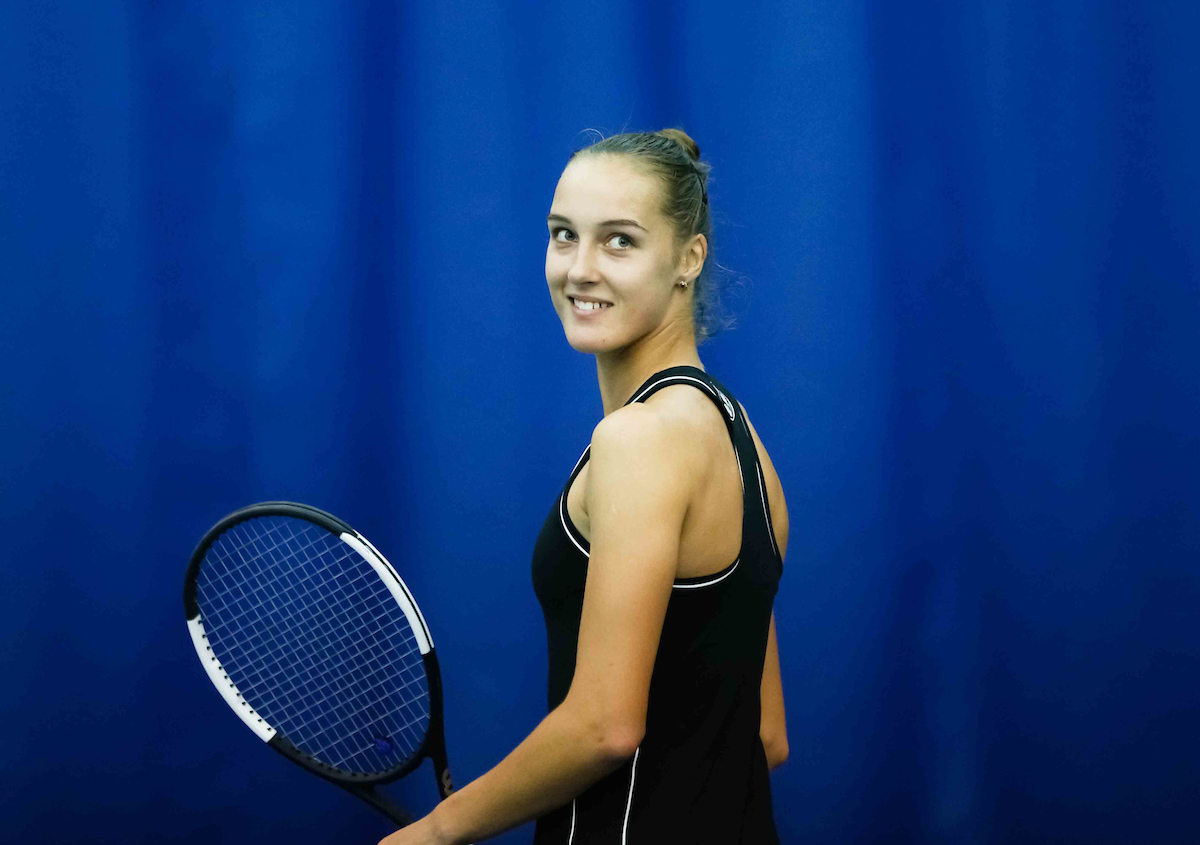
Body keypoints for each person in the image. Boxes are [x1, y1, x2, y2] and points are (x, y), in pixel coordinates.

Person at [380, 128, 788, 844]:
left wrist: (439, 829)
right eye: (563, 235)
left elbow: (605, 725)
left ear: (689, 257)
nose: (580, 268)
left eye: (620, 241)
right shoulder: (742, 441)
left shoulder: (640, 441)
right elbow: (767, 733)